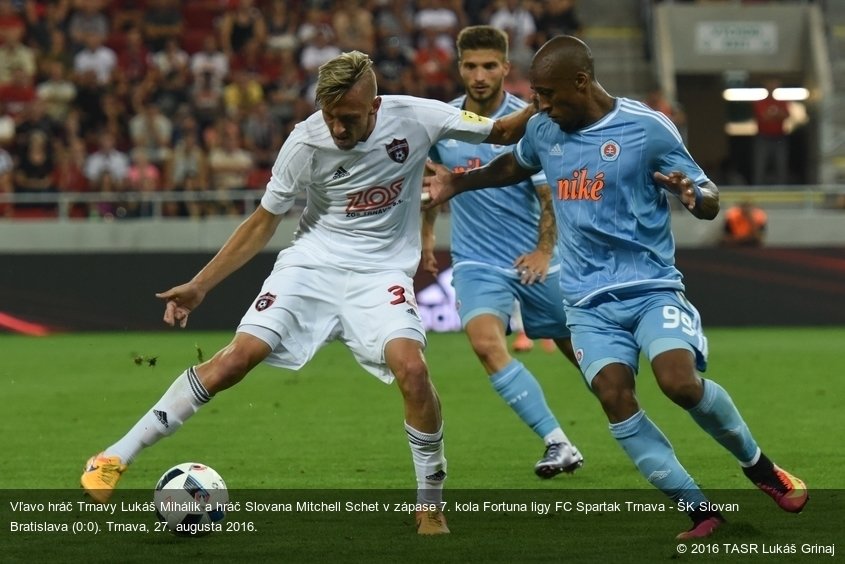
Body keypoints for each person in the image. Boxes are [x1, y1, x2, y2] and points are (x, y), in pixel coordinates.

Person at [81, 50, 536, 536]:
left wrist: (541, 102)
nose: (338, 129)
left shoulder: (419, 116)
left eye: (349, 118)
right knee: (236, 359)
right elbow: (262, 223)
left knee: (414, 370)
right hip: (312, 265)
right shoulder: (304, 141)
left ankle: (429, 504)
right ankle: (113, 457)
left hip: (380, 274)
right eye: (330, 116)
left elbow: (504, 132)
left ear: (375, 106)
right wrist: (200, 285)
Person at [423, 35, 808, 540]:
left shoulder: (645, 127)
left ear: (580, 82)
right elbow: (515, 165)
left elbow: (707, 192)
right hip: (586, 303)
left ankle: (762, 470)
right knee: (613, 394)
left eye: (547, 94)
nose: (538, 105)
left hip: (650, 288)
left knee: (678, 382)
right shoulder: (543, 128)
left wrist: (698, 198)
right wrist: (457, 182)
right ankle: (700, 512)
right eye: (535, 94)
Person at [422, 25, 582, 478]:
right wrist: (426, 239)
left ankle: (626, 415)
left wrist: (544, 252)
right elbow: (435, 184)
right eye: (471, 65)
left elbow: (548, 196)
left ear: (505, 68)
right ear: (459, 68)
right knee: (485, 343)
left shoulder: (527, 121)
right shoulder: (444, 121)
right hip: (476, 262)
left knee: (586, 359)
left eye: (489, 65)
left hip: (533, 261)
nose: (479, 75)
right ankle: (557, 441)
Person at [752, 78, 790, 186]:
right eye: (770, 83)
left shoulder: (782, 102)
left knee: (781, 164)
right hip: (763, 137)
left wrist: (773, 114)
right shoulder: (760, 102)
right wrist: (776, 114)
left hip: (779, 138)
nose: (772, 86)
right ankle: (758, 188)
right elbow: (763, 117)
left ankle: (782, 188)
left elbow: (786, 115)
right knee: (760, 164)